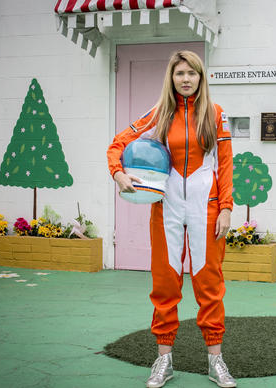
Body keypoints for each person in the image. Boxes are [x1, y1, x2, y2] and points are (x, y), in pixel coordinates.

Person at [107, 50, 236, 388]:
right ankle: (163, 360)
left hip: (205, 208)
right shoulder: (159, 113)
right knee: (166, 284)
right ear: (172, 78)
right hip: (166, 207)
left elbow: (225, 164)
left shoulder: (216, 115)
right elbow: (117, 145)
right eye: (180, 74)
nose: (186, 79)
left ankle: (216, 361)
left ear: (200, 77)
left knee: (209, 285)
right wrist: (119, 174)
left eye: (192, 73)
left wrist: (225, 207)